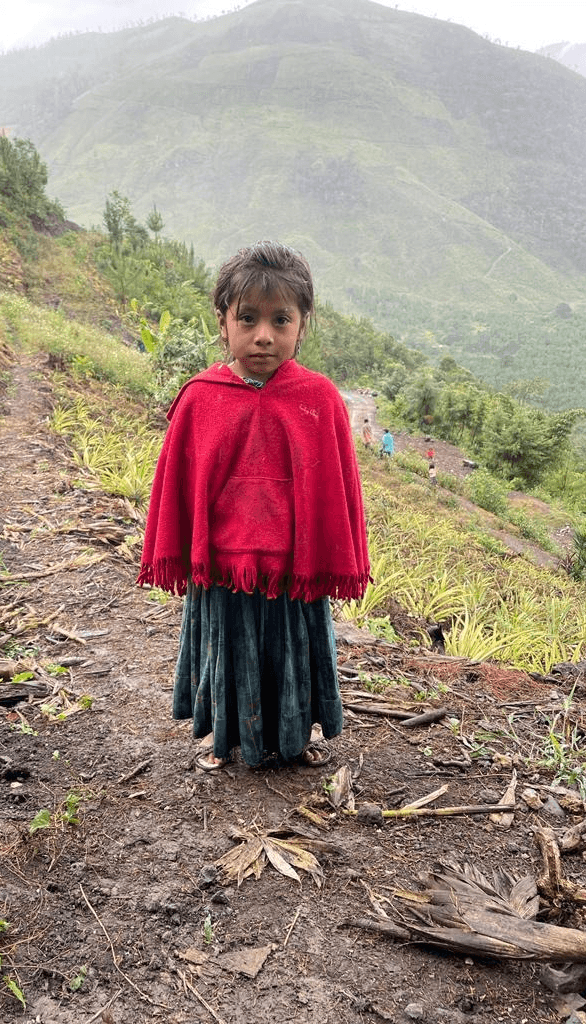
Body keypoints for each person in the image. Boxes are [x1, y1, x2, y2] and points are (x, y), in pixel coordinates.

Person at [138, 241, 370, 771]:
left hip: (293, 572)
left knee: (291, 654)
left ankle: (293, 738)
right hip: (223, 571)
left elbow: (337, 495)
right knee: (230, 649)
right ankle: (226, 736)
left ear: (302, 324)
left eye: (280, 319)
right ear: (223, 321)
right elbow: (180, 488)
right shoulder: (201, 397)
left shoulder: (319, 399)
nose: (263, 334)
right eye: (247, 318)